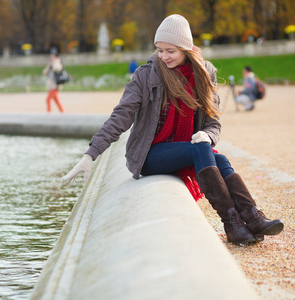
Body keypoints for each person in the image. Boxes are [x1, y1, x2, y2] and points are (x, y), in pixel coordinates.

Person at [62, 14, 283, 245]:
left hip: (186, 147)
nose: (163, 57)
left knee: (219, 157)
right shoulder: (146, 76)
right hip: (150, 154)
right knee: (200, 150)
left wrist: (208, 134)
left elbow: (213, 122)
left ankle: (253, 216)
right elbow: (121, 116)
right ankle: (232, 224)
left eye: (171, 51)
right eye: (160, 50)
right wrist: (91, 154)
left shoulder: (204, 73)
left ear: (186, 49)